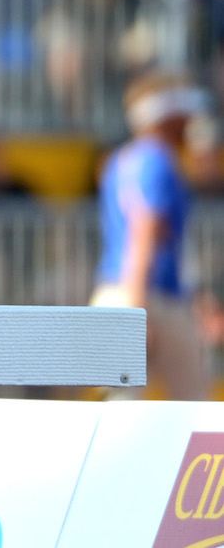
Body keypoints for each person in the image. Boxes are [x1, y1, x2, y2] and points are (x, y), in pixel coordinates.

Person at [91, 71, 212, 400]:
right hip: (148, 299)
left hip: (117, 294)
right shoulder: (158, 161)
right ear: (167, 115)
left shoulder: (120, 160)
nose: (191, 120)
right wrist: (137, 310)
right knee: (194, 411)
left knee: (119, 413)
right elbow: (144, 234)